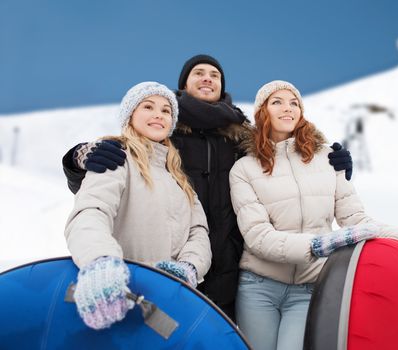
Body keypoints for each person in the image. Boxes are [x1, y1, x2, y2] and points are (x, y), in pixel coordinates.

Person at [61, 55, 354, 321]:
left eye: (214, 75)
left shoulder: (241, 138)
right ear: (183, 86)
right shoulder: (163, 134)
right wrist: (78, 158)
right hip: (160, 267)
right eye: (198, 73)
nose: (207, 78)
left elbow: (280, 167)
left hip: (226, 265)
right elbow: (97, 201)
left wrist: (326, 158)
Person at [229, 80, 398, 350]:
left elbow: (355, 220)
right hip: (258, 287)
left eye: (294, 103)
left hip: (308, 287)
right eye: (277, 102)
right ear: (263, 112)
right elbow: (258, 236)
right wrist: (317, 245)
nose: (288, 108)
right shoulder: (243, 169)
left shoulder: (328, 159)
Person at [64, 82, 212, 330]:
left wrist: (188, 267)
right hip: (115, 292)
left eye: (166, 111)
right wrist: (99, 261)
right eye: (148, 106)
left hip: (164, 305)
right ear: (130, 116)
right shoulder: (115, 158)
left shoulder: (180, 179)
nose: (158, 114)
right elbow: (90, 212)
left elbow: (198, 232)